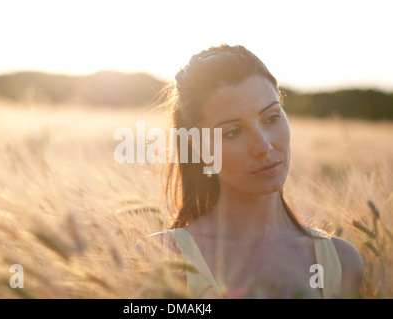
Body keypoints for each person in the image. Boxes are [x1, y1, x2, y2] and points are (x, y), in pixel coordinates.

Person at [146, 44, 364, 299]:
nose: (263, 146)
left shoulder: (342, 262)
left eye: (271, 117)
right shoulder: (163, 257)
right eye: (233, 132)